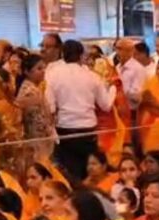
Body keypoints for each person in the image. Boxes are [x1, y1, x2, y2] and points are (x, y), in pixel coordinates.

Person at [46, 40, 115, 183]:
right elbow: (106, 105)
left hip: (64, 129)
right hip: (88, 130)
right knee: (88, 172)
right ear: (81, 55)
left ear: (62, 54)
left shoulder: (52, 74)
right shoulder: (92, 76)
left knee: (68, 173)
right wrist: (113, 89)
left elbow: (50, 107)